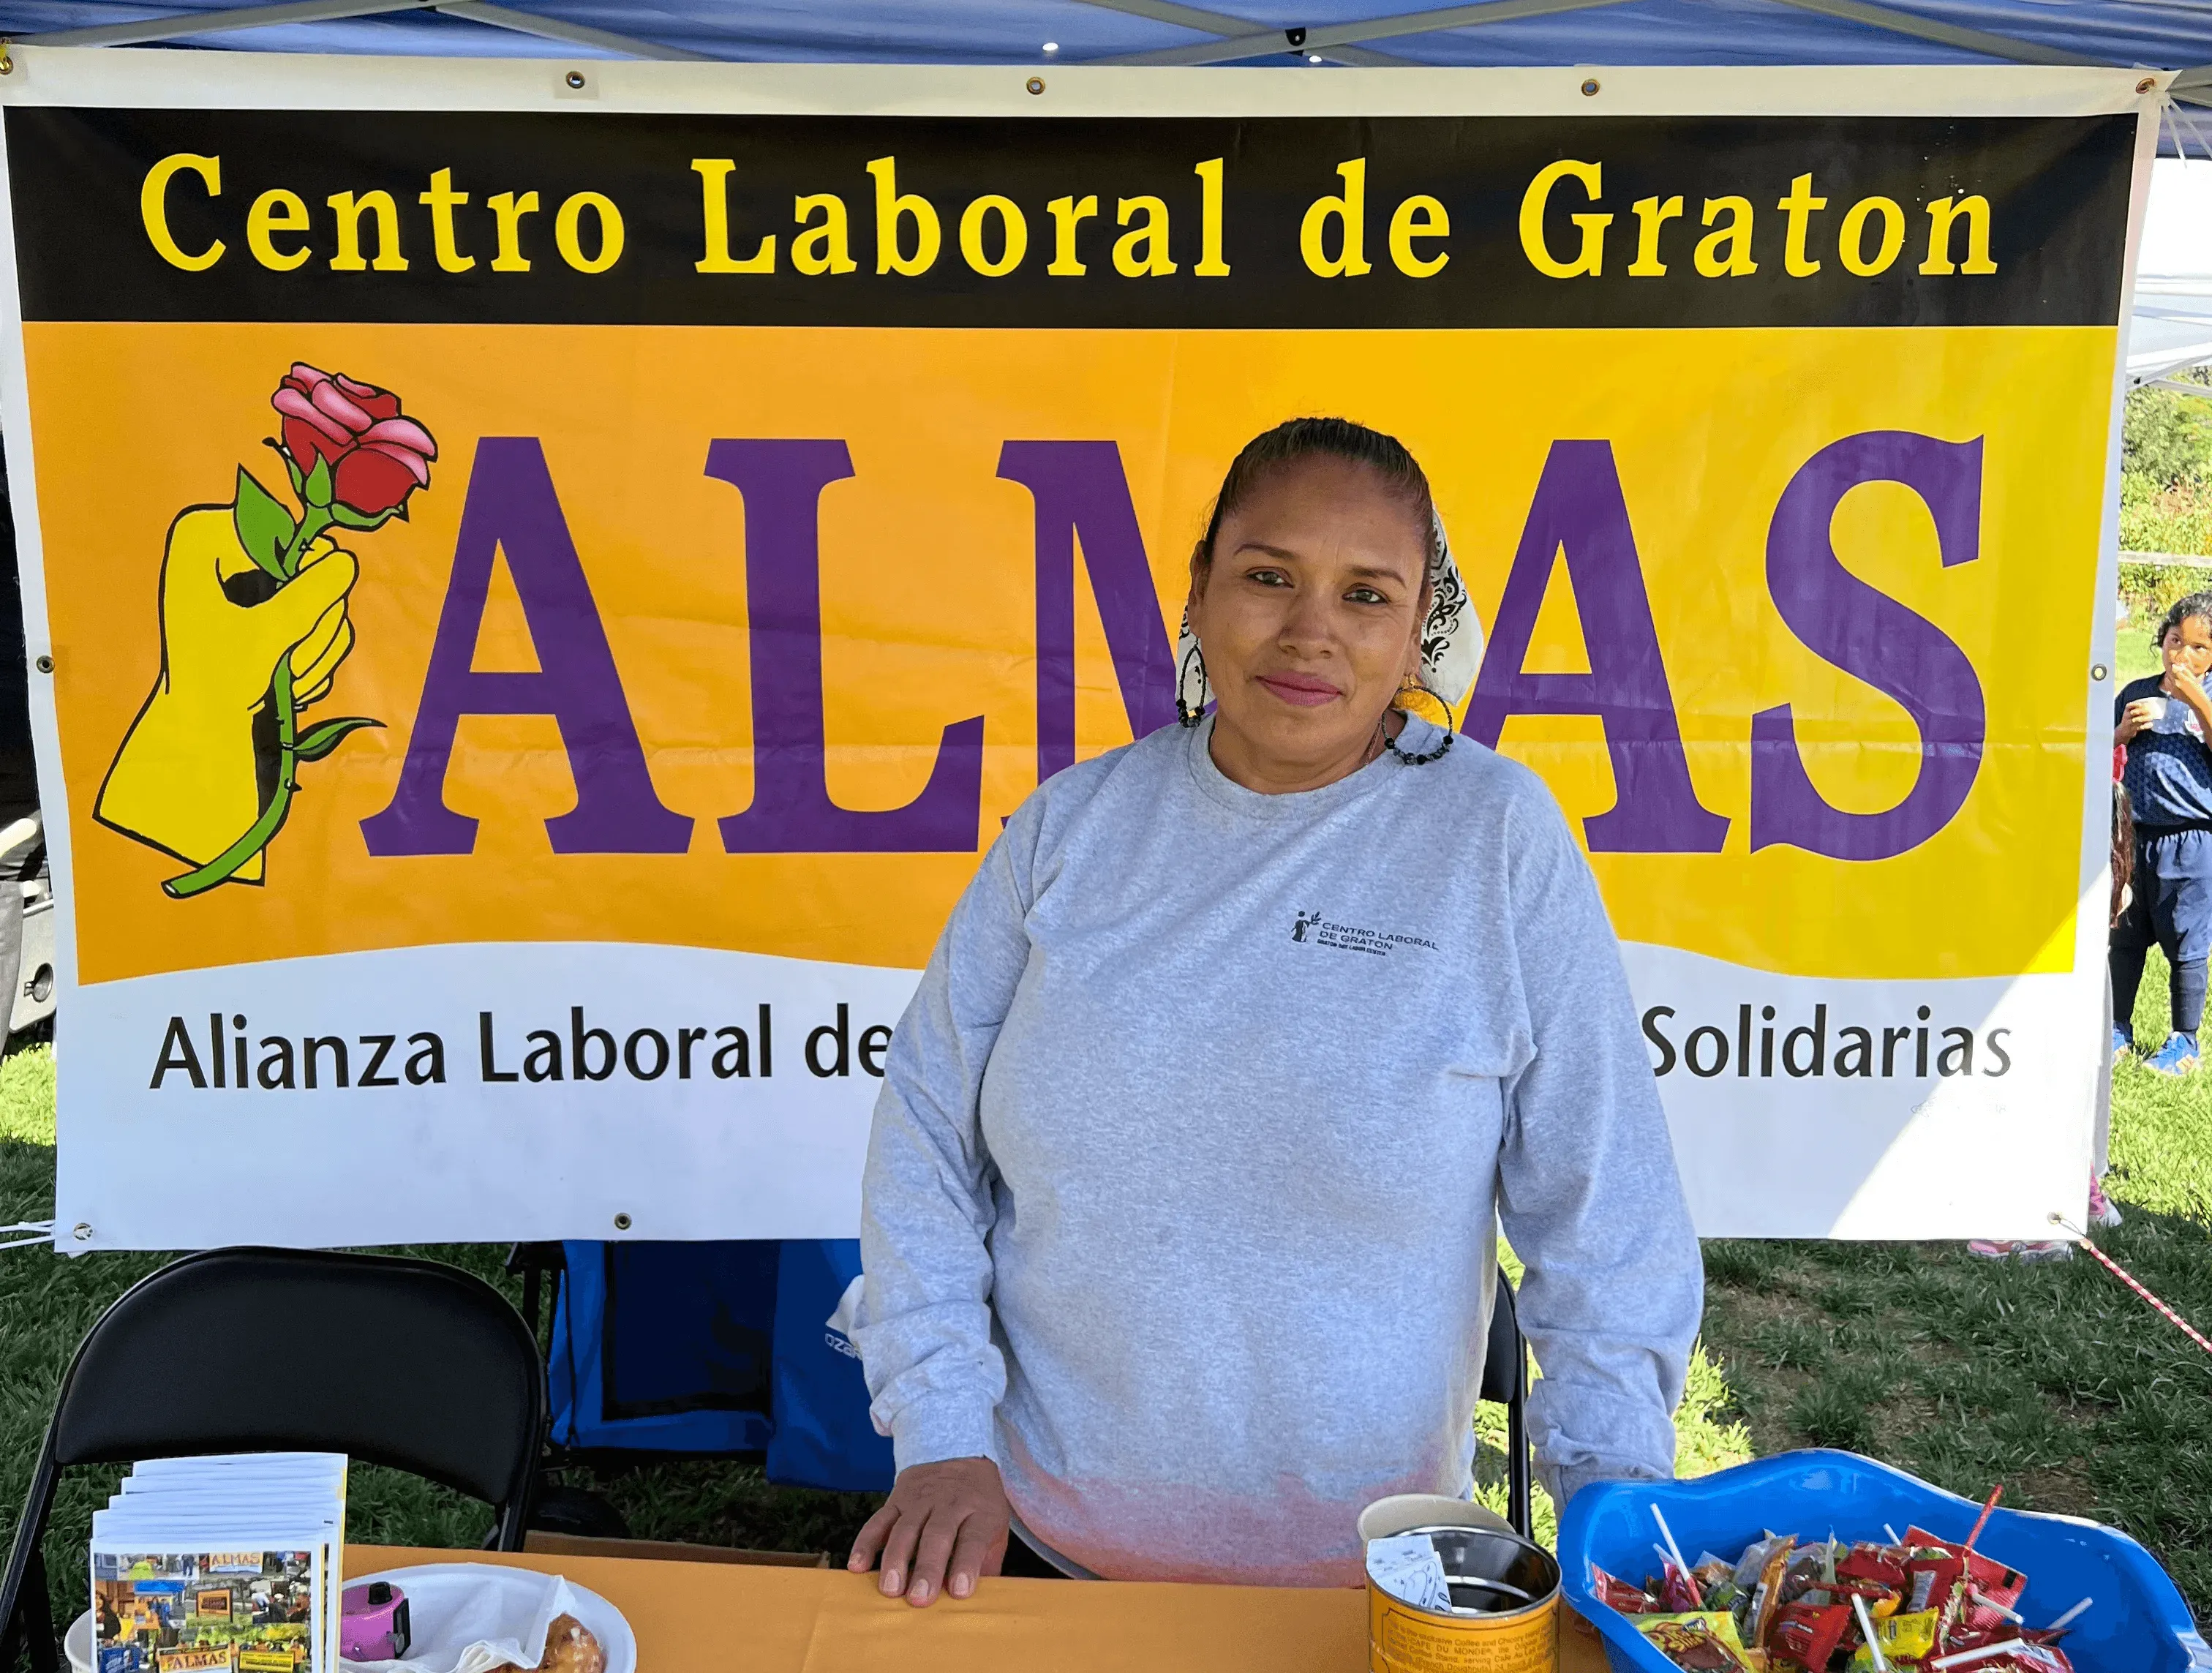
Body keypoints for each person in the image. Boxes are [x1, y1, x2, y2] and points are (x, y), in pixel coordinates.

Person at [846, 417, 1702, 1602]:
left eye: (1365, 594)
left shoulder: (1495, 840)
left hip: (1369, 1587)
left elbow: (1604, 1213)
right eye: (1267, 576)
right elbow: (925, 1131)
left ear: (1417, 625)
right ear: (1199, 591)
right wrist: (941, 1429)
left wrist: (1613, 1488)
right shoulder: (1069, 828)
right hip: (1039, 1553)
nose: (1310, 631)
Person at [2112, 592, 2212, 1075]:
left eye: (2199, 647)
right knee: (2125, 935)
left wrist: (2198, 701)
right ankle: (2116, 1027)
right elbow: (2099, 751)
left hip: (2191, 839)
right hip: (2133, 836)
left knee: (2186, 940)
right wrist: (2119, 734)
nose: (2182, 655)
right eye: (2175, 641)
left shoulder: (2207, 698)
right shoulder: (2137, 692)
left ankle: (2184, 1041)